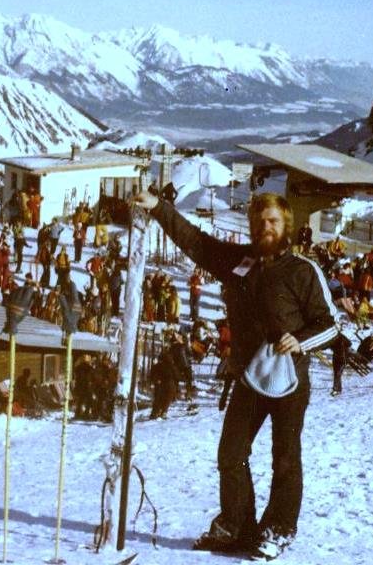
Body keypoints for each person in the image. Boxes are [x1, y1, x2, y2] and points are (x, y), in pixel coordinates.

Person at [133, 189, 338, 561]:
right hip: (248, 377)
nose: (265, 227)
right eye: (259, 221)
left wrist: (300, 340)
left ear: (286, 225)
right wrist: (159, 208)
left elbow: (332, 324)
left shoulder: (302, 271)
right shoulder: (239, 261)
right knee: (231, 453)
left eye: (272, 220)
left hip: (289, 379)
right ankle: (237, 526)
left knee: (285, 457)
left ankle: (278, 529)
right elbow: (197, 243)